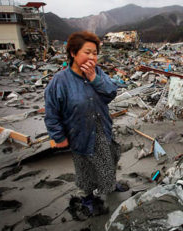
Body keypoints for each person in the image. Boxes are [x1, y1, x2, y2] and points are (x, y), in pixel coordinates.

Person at [44, 31, 122, 216]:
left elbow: (111, 93)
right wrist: (58, 136)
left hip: (102, 128)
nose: (92, 57)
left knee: (110, 159)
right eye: (87, 52)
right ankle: (87, 197)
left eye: (95, 53)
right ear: (73, 53)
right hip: (79, 133)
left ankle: (109, 185)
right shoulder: (60, 81)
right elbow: (51, 112)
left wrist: (94, 78)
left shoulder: (98, 73)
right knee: (85, 169)